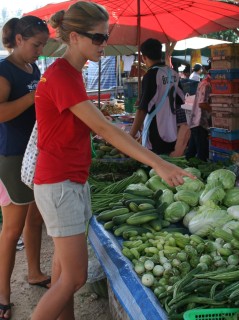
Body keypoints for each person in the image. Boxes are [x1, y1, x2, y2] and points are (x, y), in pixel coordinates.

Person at [30, 2, 195, 320]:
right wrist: (158, 164)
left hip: (69, 180)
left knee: (64, 272)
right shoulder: (62, 75)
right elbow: (104, 128)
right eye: (98, 38)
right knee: (74, 279)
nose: (104, 44)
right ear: (75, 36)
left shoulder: (71, 74)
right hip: (59, 183)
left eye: (106, 37)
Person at [0, 16, 50, 320]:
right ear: (18, 40)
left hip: (35, 153)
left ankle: (34, 272)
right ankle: (3, 295)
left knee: (35, 219)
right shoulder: (4, 70)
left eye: (43, 45)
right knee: (11, 229)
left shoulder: (34, 69)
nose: (40, 50)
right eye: (36, 44)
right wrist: (34, 96)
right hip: (12, 156)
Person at [129, 38, 190, 157]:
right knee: (166, 161)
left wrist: (131, 136)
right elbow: (180, 100)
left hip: (156, 131)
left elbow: (142, 110)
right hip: (171, 130)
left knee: (155, 166)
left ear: (144, 57)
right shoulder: (173, 73)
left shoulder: (151, 75)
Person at [185, 64, 212, 162]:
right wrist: (214, 111)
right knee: (202, 153)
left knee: (191, 151)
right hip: (200, 121)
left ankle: (186, 167)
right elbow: (202, 104)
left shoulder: (205, 82)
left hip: (197, 121)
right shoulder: (207, 84)